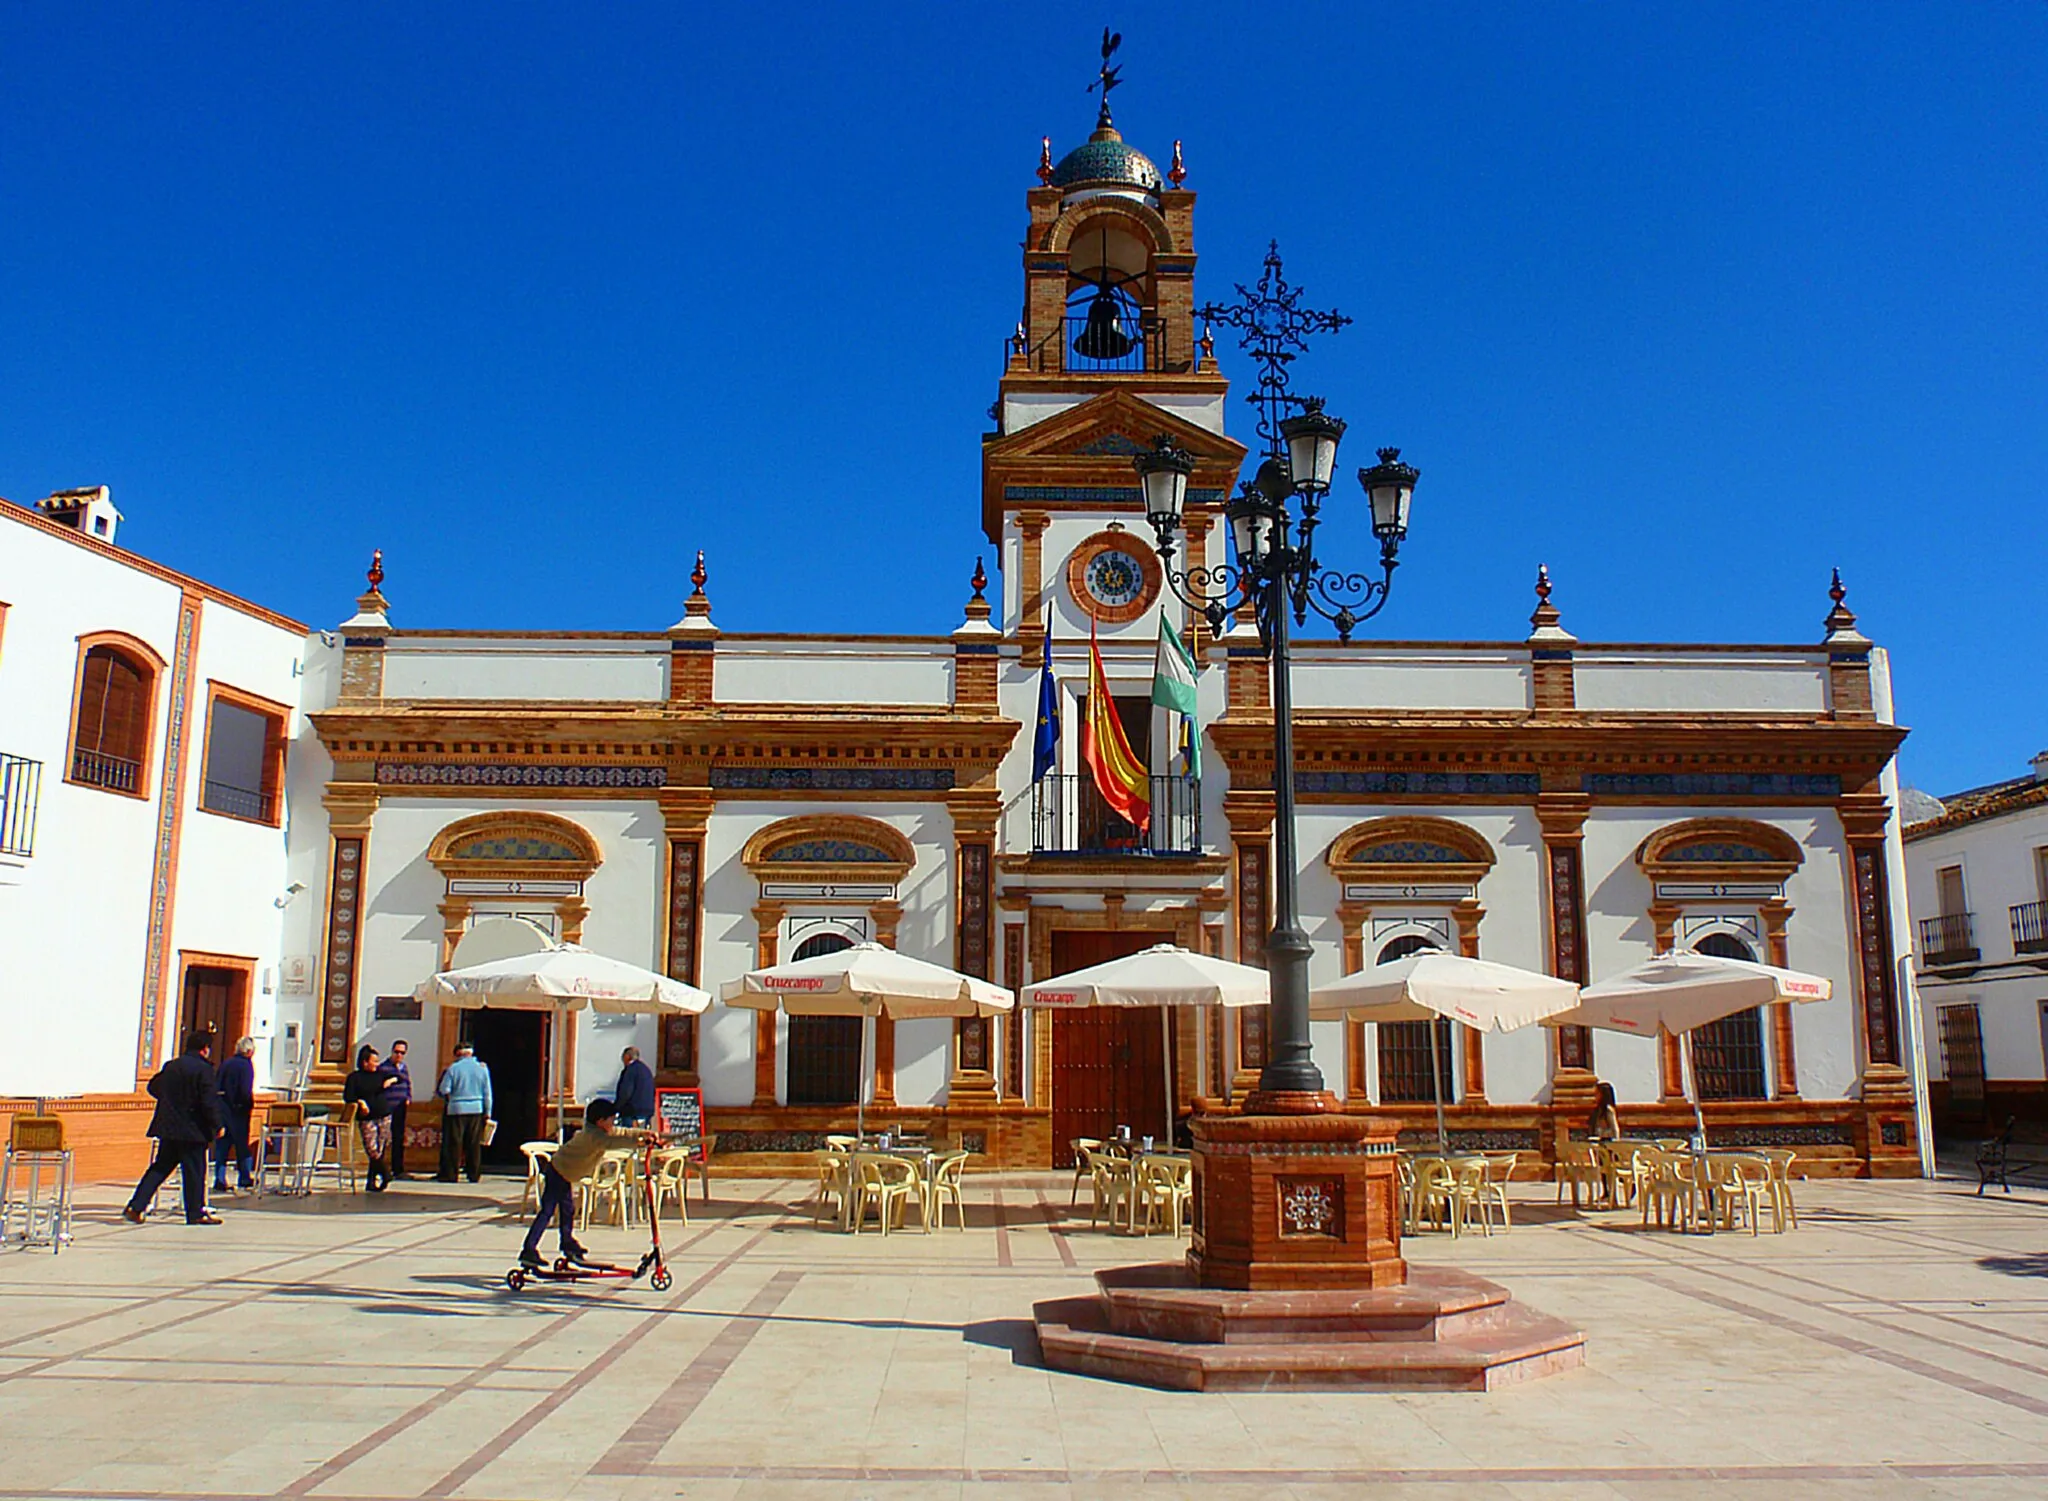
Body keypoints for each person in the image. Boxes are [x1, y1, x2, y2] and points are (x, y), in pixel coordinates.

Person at [520, 1098, 647, 1268]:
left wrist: (642, 1134)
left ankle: (567, 1241)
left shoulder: (599, 1131)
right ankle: (529, 1249)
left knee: (568, 1209)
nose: (613, 1123)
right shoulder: (593, 1136)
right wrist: (639, 1143)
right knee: (547, 1211)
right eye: (611, 1119)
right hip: (557, 1171)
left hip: (564, 1174)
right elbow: (611, 1143)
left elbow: (620, 1132)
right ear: (600, 1121)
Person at [122, 1029, 224, 1226]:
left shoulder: (172, 1066)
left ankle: (136, 1206)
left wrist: (170, 1100)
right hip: (193, 1129)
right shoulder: (204, 1070)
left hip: (169, 1126)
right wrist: (217, 1124)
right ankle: (195, 1212)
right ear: (205, 1049)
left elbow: (153, 1087)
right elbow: (208, 1101)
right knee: (194, 1171)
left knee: (160, 1167)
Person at [437, 1042, 493, 1183]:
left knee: (454, 1143)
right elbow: (487, 1092)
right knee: (473, 1143)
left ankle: (451, 1174)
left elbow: (445, 1089)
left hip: (456, 1109)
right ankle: (474, 1174)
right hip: (476, 1108)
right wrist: (488, 1111)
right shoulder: (482, 1069)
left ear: (458, 1054)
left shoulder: (453, 1069)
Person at [212, 1035, 257, 1195]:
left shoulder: (226, 1063)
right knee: (242, 1145)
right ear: (250, 1051)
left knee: (222, 1146)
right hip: (238, 1111)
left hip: (223, 1108)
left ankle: (219, 1178)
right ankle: (244, 1176)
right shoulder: (246, 1065)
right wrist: (248, 1105)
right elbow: (245, 1089)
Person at [377, 1038, 414, 1179]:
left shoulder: (404, 1068)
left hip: (400, 1107)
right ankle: (380, 1168)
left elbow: (407, 1083)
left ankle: (398, 1168)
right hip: (388, 1107)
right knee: (384, 1138)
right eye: (397, 1052)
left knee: (399, 1138)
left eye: (402, 1053)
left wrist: (408, 1097)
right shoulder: (384, 1068)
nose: (399, 1055)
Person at [613, 1045, 656, 1127]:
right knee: (642, 1137)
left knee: (630, 1137)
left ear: (627, 1057)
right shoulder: (646, 1069)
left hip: (632, 1112)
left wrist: (616, 1107)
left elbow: (625, 1092)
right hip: (647, 1111)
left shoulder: (630, 1070)